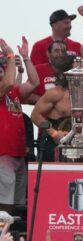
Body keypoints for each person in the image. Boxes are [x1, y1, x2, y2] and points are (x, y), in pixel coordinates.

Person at [0, 39, 36, 214]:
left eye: (3, 65)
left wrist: (26, 58)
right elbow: (6, 83)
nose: (2, 68)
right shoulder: (4, 88)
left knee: (19, 204)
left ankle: (13, 238)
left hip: (19, 155)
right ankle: (2, 238)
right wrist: (10, 54)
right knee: (5, 203)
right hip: (2, 155)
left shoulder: (13, 92)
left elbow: (34, 83)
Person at [30, 57, 75, 162]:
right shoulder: (55, 93)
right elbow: (35, 116)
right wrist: (54, 134)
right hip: (52, 143)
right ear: (67, 73)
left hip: (76, 144)